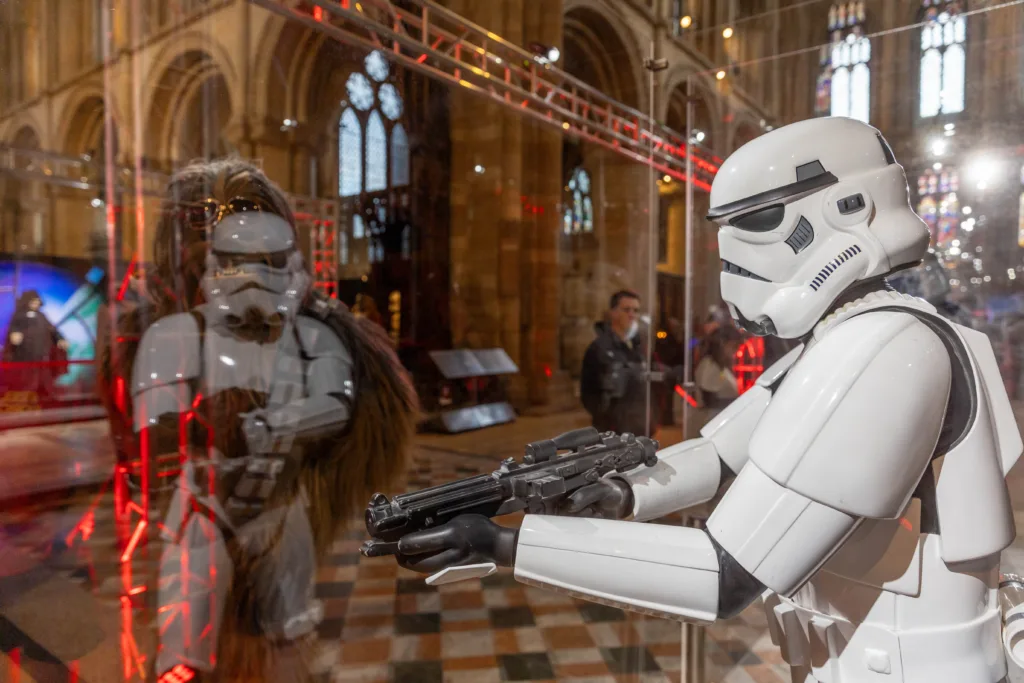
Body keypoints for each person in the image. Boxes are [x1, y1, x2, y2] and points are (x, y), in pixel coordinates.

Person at [382, 117, 1023, 683]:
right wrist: (624, 492)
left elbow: (724, 576)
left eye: (760, 222)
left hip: (903, 665)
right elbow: (720, 453)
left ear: (851, 209)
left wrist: (503, 546)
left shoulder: (884, 346)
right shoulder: (868, 330)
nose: (735, 256)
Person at [96, 158, 418, 683]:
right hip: (201, 509)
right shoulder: (166, 336)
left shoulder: (315, 336)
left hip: (277, 510)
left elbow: (351, 414)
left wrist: (284, 431)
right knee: (187, 641)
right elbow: (150, 434)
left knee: (281, 636)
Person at [579, 290, 659, 436]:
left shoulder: (638, 346)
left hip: (639, 429)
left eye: (635, 310)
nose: (632, 315)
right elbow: (588, 392)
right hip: (613, 431)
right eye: (626, 309)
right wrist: (607, 419)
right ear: (614, 312)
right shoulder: (599, 348)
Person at [2, 289, 69, 400]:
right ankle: (25, 397)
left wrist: (60, 339)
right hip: (25, 354)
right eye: (33, 301)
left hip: (42, 352)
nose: (36, 304)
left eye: (37, 301)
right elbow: (13, 328)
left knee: (43, 376)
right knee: (26, 379)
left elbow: (52, 330)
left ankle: (46, 395)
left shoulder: (42, 316)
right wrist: (14, 334)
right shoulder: (19, 315)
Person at [694, 326, 742, 410]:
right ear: (723, 344)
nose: (736, 351)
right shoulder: (709, 365)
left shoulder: (720, 367)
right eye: (734, 346)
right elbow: (709, 399)